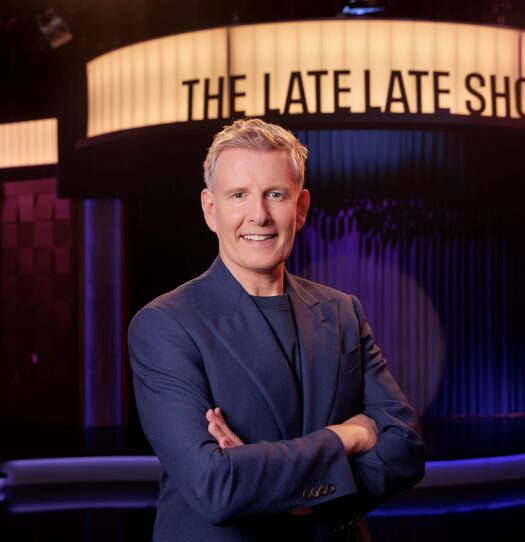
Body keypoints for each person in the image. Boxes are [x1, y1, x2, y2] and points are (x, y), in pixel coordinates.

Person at [128, 118, 426, 541]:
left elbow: (406, 449)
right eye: (238, 195)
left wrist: (272, 483)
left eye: (275, 194)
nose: (259, 215)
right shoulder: (165, 324)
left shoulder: (342, 311)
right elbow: (216, 487)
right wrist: (346, 436)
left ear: (300, 208)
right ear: (211, 210)